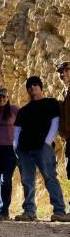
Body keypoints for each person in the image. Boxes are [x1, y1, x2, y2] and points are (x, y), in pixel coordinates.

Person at [14, 76, 70, 222]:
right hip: (24, 150)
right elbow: (17, 130)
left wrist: (47, 142)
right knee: (27, 180)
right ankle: (29, 211)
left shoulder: (50, 103)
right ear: (27, 90)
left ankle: (59, 211)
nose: (32, 87)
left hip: (43, 148)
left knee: (50, 178)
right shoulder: (23, 110)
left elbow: (55, 122)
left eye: (35, 85)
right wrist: (16, 146)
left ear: (40, 87)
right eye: (30, 86)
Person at [0, 87, 19, 221]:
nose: (2, 99)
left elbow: (22, 126)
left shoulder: (14, 110)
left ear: (7, 98)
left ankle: (4, 210)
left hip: (10, 149)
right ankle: (1, 210)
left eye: (4, 97)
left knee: (5, 179)